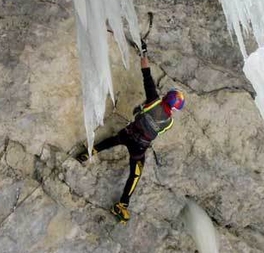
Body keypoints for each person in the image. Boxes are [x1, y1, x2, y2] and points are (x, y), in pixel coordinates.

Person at [76, 41, 185, 223]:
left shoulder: (154, 99)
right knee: (135, 175)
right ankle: (122, 205)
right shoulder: (169, 121)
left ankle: (90, 152)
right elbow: (156, 131)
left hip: (128, 132)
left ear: (167, 97)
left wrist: (143, 53)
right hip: (139, 147)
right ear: (174, 109)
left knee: (115, 139)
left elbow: (147, 75)